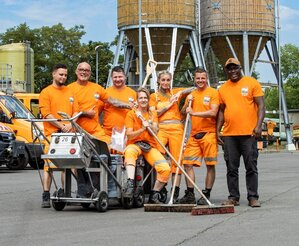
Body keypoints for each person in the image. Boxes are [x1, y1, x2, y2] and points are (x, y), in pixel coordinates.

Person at [217, 58, 265, 208]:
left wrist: (258, 126)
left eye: (235, 68)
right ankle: (233, 197)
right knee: (231, 168)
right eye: (229, 69)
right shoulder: (223, 88)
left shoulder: (252, 83)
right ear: (227, 71)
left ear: (240, 68)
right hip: (229, 134)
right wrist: (217, 130)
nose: (232, 71)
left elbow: (261, 106)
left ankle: (253, 197)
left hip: (249, 134)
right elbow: (221, 111)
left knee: (251, 166)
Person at [149, 70, 194, 202]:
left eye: (168, 80)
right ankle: (161, 186)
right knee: (159, 158)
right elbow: (154, 113)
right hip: (161, 128)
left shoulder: (175, 92)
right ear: (158, 81)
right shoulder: (154, 96)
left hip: (176, 128)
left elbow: (194, 88)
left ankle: (175, 192)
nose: (165, 83)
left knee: (177, 161)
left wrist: (181, 93)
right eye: (163, 80)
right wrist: (169, 105)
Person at [39, 64, 79, 208]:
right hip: (53, 135)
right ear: (54, 74)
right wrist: (62, 126)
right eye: (60, 74)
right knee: (49, 165)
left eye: (65, 75)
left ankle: (66, 192)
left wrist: (71, 124)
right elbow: (47, 114)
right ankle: (45, 193)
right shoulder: (46, 92)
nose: (63, 77)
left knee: (68, 165)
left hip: (69, 133)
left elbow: (76, 111)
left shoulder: (70, 91)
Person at [178, 68, 219, 205]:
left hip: (209, 134)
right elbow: (184, 112)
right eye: (198, 78)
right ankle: (190, 193)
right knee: (187, 163)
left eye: (203, 78)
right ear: (194, 79)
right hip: (194, 134)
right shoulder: (192, 94)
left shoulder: (213, 93)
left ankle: (206, 193)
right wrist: (187, 102)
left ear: (206, 78)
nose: (200, 81)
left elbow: (213, 112)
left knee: (210, 165)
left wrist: (194, 113)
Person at [123, 87, 171, 204]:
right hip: (135, 144)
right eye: (141, 98)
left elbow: (155, 130)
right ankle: (130, 182)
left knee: (165, 169)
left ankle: (154, 194)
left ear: (148, 99)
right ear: (137, 100)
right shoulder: (131, 114)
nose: (143, 100)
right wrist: (142, 129)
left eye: (145, 98)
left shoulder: (152, 113)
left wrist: (149, 123)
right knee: (129, 151)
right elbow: (129, 135)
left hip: (149, 146)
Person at [68, 62, 132, 145]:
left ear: (90, 73)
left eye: (87, 70)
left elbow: (112, 101)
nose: (83, 72)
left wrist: (129, 105)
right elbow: (66, 111)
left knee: (115, 146)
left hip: (96, 132)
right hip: (75, 132)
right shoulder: (68, 89)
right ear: (76, 71)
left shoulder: (97, 88)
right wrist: (85, 113)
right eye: (81, 70)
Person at [102, 66, 137, 145]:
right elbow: (98, 112)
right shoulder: (105, 93)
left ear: (125, 77)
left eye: (120, 77)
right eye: (115, 77)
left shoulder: (133, 93)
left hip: (127, 134)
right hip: (108, 134)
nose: (118, 79)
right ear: (111, 78)